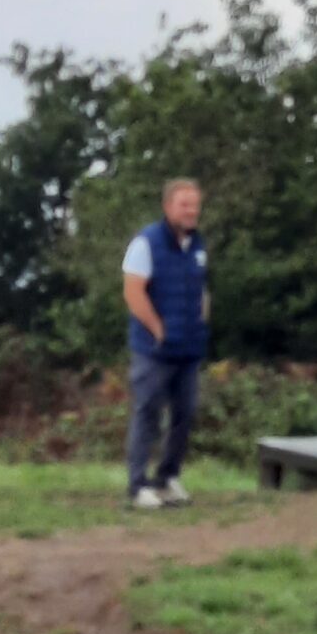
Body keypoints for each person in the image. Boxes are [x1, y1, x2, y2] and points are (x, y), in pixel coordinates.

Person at [121, 177, 210, 511]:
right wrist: (157, 329)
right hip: (154, 350)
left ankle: (168, 477)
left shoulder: (198, 245)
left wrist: (202, 321)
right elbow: (133, 292)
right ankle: (137, 485)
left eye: (195, 205)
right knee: (147, 412)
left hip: (189, 347)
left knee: (184, 414)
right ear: (168, 206)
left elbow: (202, 290)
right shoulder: (146, 243)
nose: (191, 211)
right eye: (185, 204)